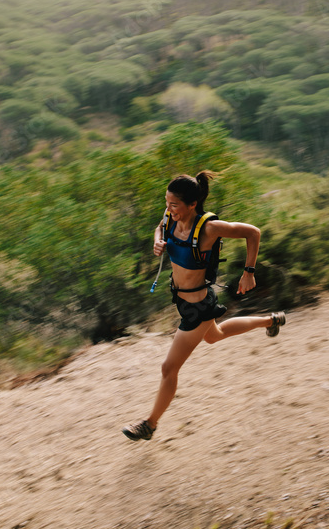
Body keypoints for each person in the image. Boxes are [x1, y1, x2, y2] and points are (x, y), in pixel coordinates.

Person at [122, 171, 286, 441]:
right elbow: (159, 227)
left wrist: (249, 271)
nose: (168, 209)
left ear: (192, 204)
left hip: (197, 306)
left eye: (174, 205)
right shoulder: (170, 219)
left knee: (168, 369)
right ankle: (271, 320)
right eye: (167, 202)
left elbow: (252, 232)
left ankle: (149, 425)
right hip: (183, 300)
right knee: (215, 336)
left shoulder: (209, 228)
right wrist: (157, 241)